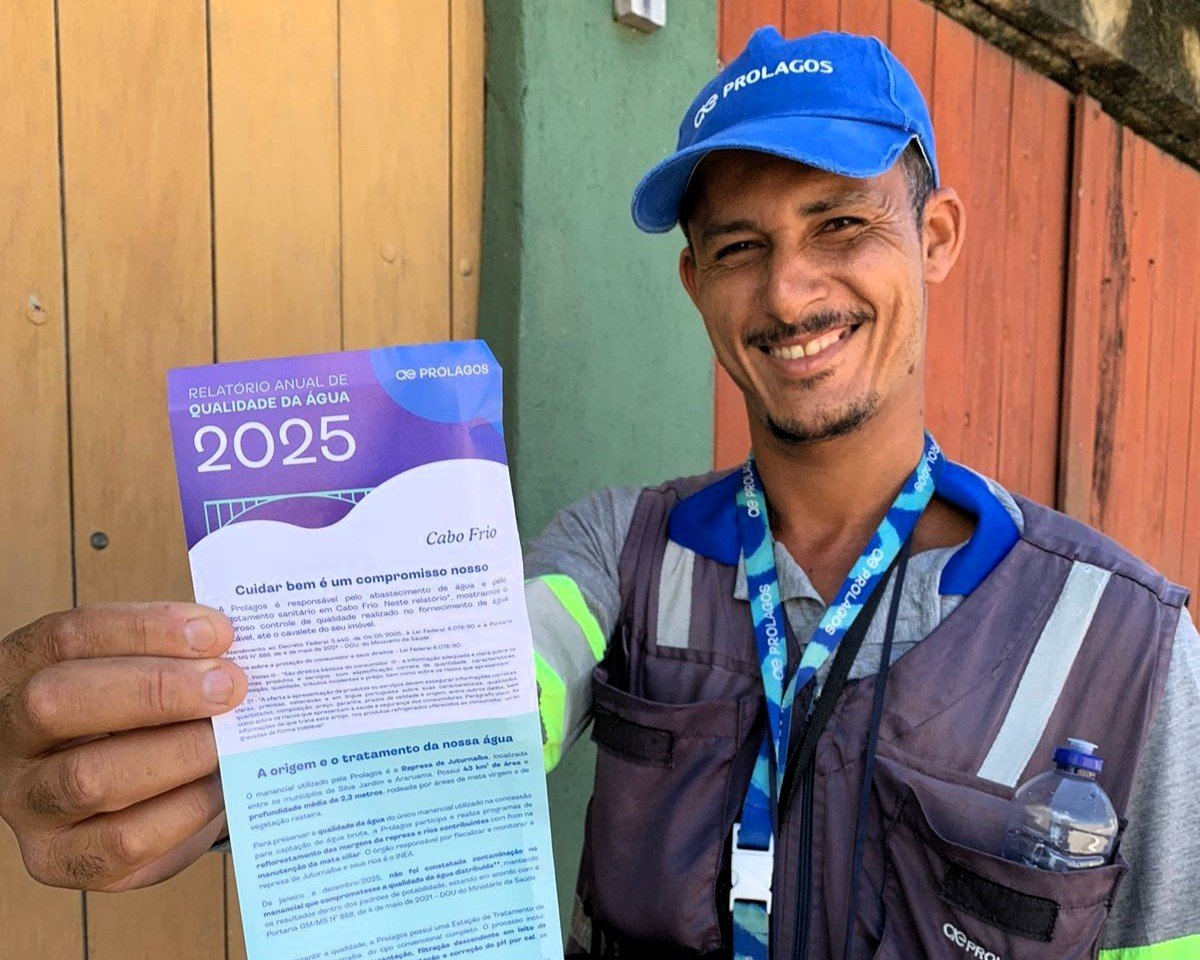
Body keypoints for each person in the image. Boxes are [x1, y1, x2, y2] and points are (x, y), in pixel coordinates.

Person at [0, 25, 1196, 960]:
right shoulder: (623, 549)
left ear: (934, 236)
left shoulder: (1129, 640)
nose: (789, 291)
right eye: (739, 246)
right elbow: (486, 685)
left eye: (841, 224)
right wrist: (233, 767)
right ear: (693, 282)